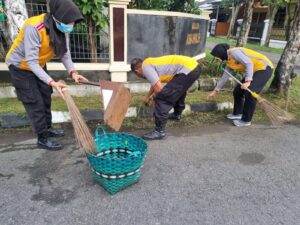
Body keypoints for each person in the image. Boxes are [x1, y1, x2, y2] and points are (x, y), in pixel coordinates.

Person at [5, 0, 88, 150]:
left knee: (45, 96)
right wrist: (51, 81)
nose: (71, 25)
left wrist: (73, 72)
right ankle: (42, 138)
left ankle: (48, 128)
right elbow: (31, 62)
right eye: (69, 22)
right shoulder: (34, 27)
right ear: (58, 17)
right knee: (34, 101)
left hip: (39, 65)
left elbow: (65, 54)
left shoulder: (61, 29)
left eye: (73, 22)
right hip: (20, 66)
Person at [131, 55, 201, 140]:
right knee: (178, 91)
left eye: (138, 75)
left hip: (188, 69)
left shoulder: (145, 68)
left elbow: (159, 88)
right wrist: (147, 96)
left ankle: (159, 131)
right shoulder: (148, 64)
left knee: (163, 98)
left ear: (137, 71)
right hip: (193, 67)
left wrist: (155, 100)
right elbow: (155, 83)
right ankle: (177, 115)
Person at [207, 43, 274, 127]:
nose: (215, 58)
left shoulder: (235, 52)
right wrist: (215, 91)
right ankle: (238, 113)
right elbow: (225, 77)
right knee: (238, 91)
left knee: (250, 92)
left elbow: (249, 63)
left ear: (221, 53)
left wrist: (248, 81)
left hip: (264, 68)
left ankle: (246, 120)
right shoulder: (229, 61)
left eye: (216, 56)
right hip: (254, 71)